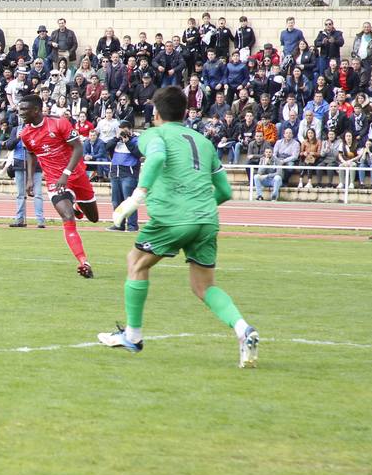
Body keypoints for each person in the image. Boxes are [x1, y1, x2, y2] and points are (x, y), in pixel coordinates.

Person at [98, 87, 260, 368]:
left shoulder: (154, 134)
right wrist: (198, 208)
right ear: (185, 113)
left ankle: (133, 336)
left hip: (173, 218)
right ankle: (243, 329)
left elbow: (158, 157)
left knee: (135, 263)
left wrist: (138, 195)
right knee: (204, 286)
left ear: (156, 114)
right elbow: (224, 191)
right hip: (206, 219)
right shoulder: (204, 142)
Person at [18, 93, 100, 277]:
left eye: (24, 109)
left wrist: (67, 174)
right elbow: (31, 154)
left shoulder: (59, 123)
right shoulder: (25, 133)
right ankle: (84, 262)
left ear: (36, 110)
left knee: (94, 218)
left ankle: (78, 205)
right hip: (55, 180)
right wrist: (30, 179)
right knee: (67, 217)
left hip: (77, 176)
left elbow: (78, 148)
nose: (20, 112)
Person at [5, 122, 45, 228]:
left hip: (35, 164)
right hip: (20, 162)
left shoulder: (38, 129)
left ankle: (40, 220)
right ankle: (19, 219)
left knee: (38, 194)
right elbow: (9, 146)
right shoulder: (16, 129)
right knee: (20, 194)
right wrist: (18, 138)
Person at [106, 121, 141, 233]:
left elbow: (138, 153)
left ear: (130, 130)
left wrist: (127, 141)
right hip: (116, 171)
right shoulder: (116, 140)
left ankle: (132, 225)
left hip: (129, 173)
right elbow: (107, 147)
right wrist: (117, 138)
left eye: (125, 130)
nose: (123, 133)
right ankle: (118, 224)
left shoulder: (136, 139)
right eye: (121, 130)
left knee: (129, 201)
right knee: (116, 201)